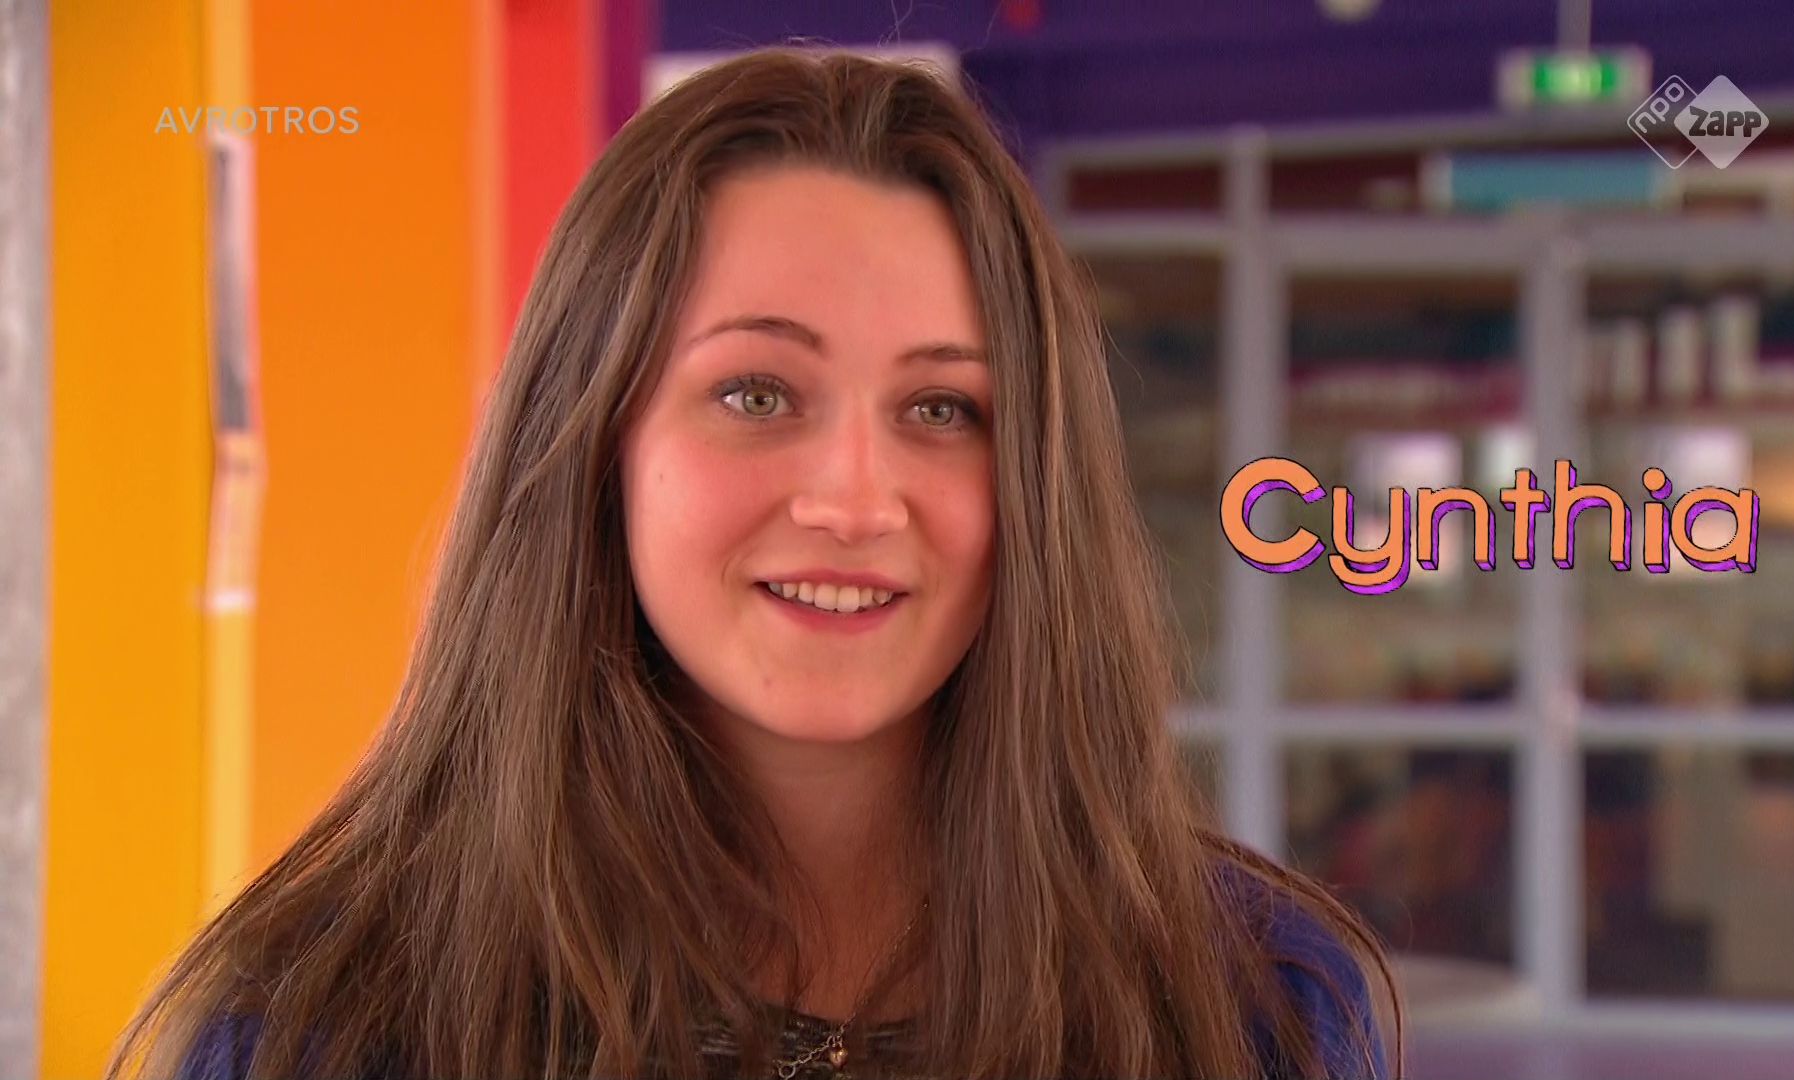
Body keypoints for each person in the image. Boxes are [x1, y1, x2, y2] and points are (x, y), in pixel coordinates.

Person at [107, 47, 1403, 1080]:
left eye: (942, 408)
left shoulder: (1252, 1009)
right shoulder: (322, 1023)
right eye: (756, 394)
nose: (854, 500)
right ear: (594, 441)